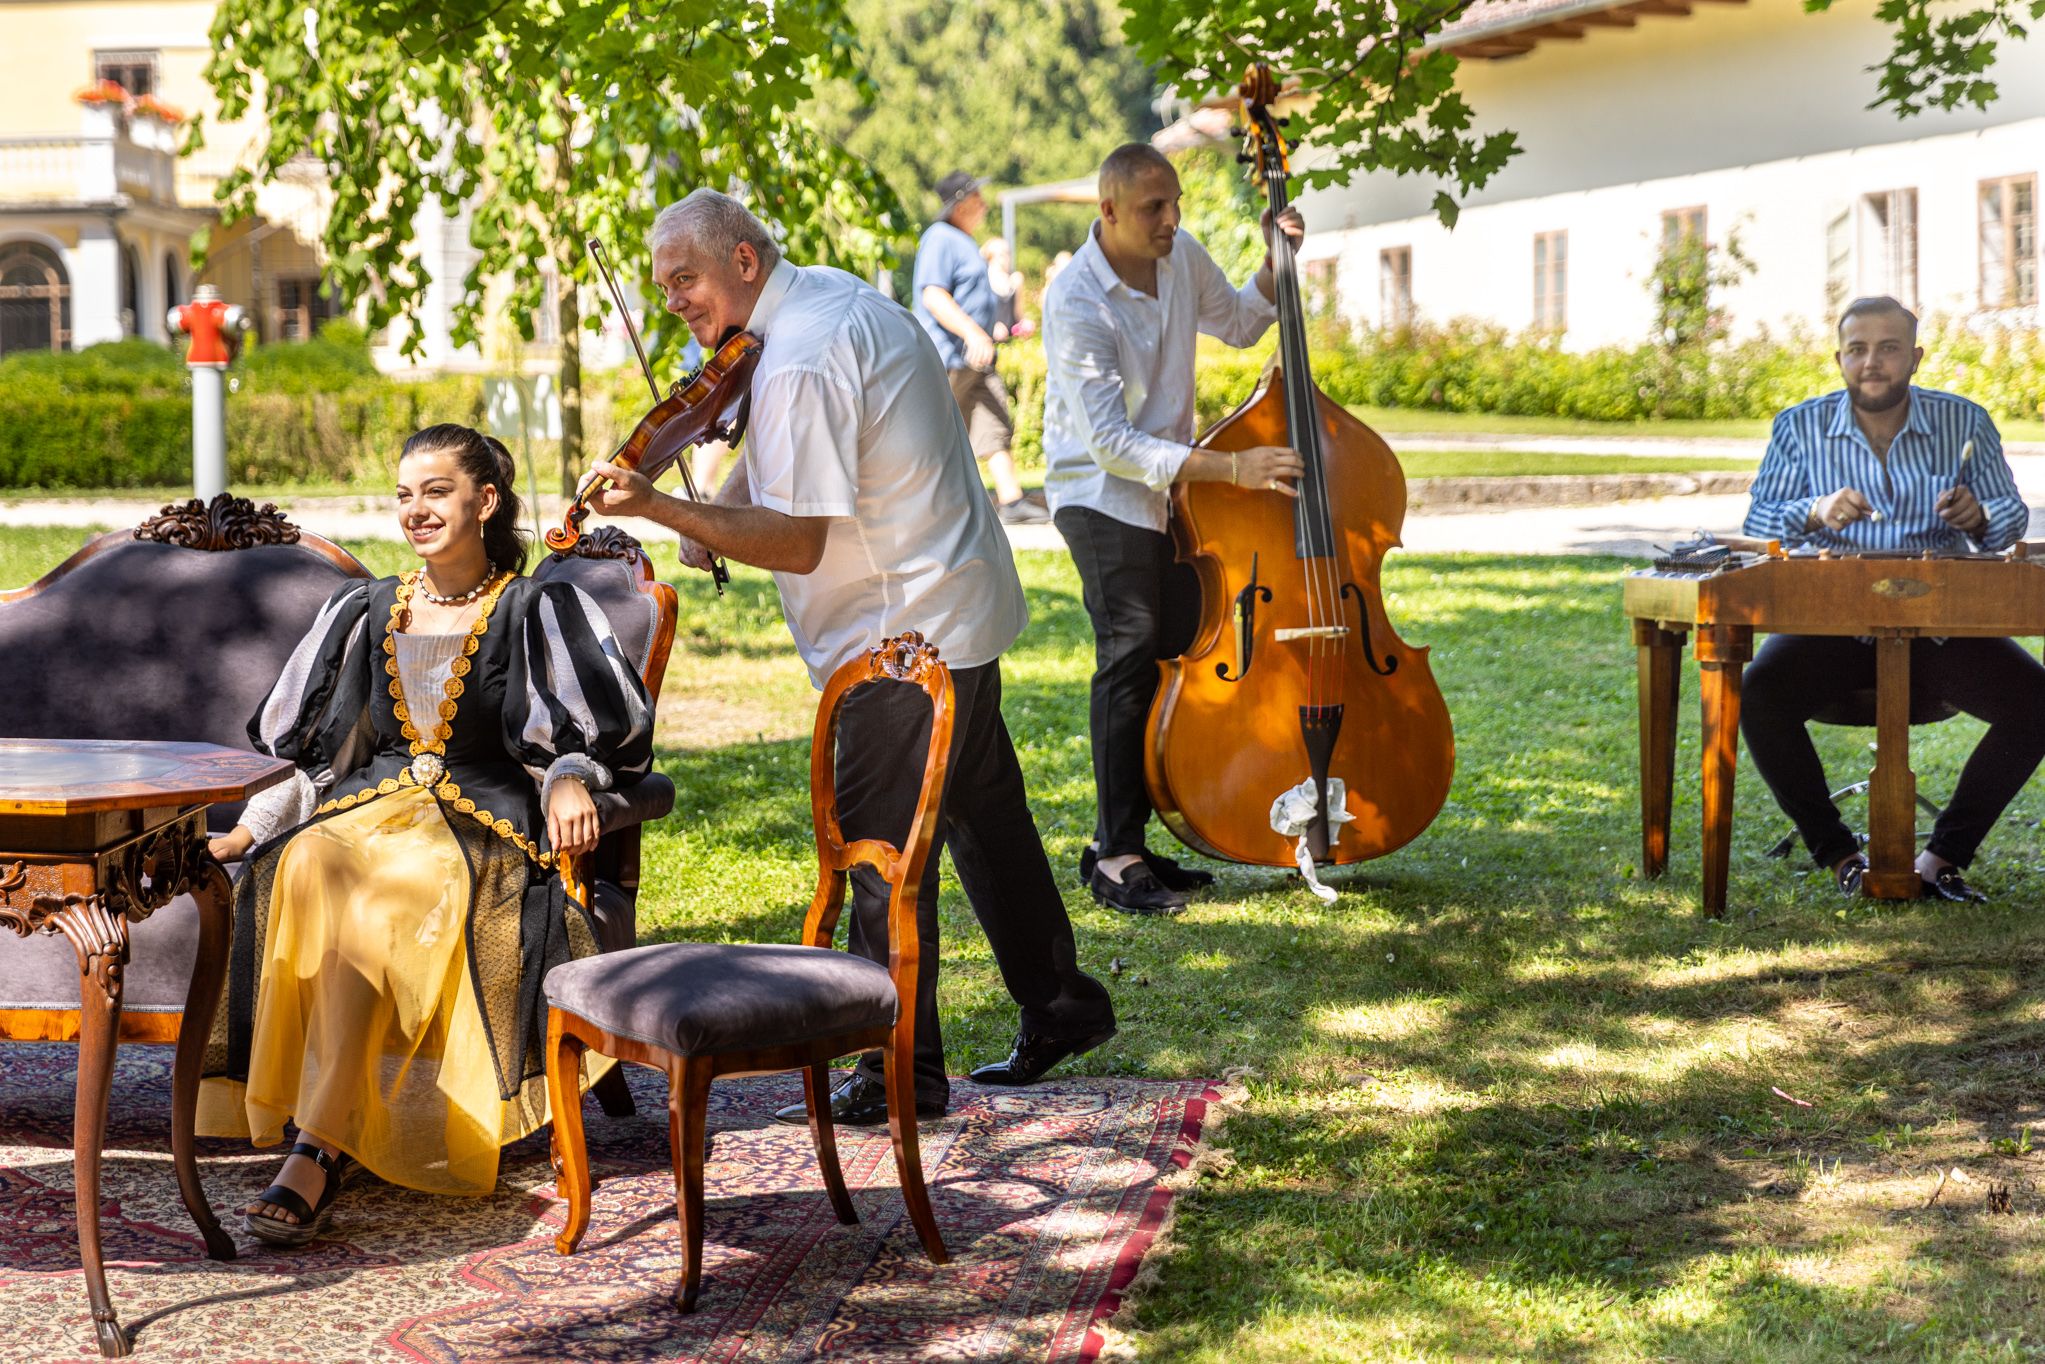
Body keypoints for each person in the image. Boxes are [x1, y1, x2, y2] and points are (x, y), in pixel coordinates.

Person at [587, 189, 1118, 1125]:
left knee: (879, 865)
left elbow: (796, 542)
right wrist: (722, 499)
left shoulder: (800, 357)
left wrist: (663, 506)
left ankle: (898, 1074)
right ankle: (1062, 1006)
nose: (671, 299)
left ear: (743, 262)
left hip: (899, 640)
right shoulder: (823, 295)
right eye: (662, 284)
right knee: (985, 820)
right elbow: (778, 453)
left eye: (686, 279)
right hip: (952, 605)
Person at [199, 423, 654, 1245]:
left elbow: (589, 733)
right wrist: (253, 829)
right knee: (306, 859)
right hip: (363, 814)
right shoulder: (366, 607)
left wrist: (570, 779)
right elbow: (315, 753)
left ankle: (319, 1145)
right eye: (405, 493)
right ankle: (330, 1131)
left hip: (474, 826)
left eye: (436, 491)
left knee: (390, 893)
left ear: (485, 501)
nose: (417, 509)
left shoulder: (535, 605)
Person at [1040, 141, 1306, 915]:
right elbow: (1111, 445)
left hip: (1168, 489)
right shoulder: (1075, 299)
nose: (1172, 218)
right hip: (1097, 491)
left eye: (1176, 201)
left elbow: (1242, 322)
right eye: (1154, 207)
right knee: (1128, 649)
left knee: (1174, 646)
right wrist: (1233, 470)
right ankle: (1113, 857)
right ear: (1109, 210)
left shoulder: (1179, 253)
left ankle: (1130, 836)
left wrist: (1273, 261)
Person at [1741, 295, 2045, 902]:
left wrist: (1981, 515)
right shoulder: (1798, 426)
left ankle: (1941, 861)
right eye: (1857, 349)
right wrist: (1815, 509)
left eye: (1888, 348)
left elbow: (2011, 517)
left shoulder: (1966, 422)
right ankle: (1841, 857)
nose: (1871, 362)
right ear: (1839, 358)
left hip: (1939, 625)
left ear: (1916, 356)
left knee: (2037, 704)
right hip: (1831, 623)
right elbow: (1760, 520)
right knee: (1758, 694)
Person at [912, 170, 1047, 525]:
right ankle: (921, 508)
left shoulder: (963, 240)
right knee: (932, 432)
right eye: (975, 196)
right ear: (958, 204)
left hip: (975, 358)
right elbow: (933, 295)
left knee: (994, 422)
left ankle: (1012, 501)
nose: (983, 203)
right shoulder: (940, 238)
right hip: (948, 357)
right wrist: (973, 333)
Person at [982, 235, 1031, 343]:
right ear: (990, 257)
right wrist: (992, 326)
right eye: (1001, 254)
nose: (1006, 258)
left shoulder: (1015, 280)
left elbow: (1018, 313)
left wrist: (1025, 324)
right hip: (990, 340)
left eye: (1007, 253)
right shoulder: (983, 280)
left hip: (1011, 341)